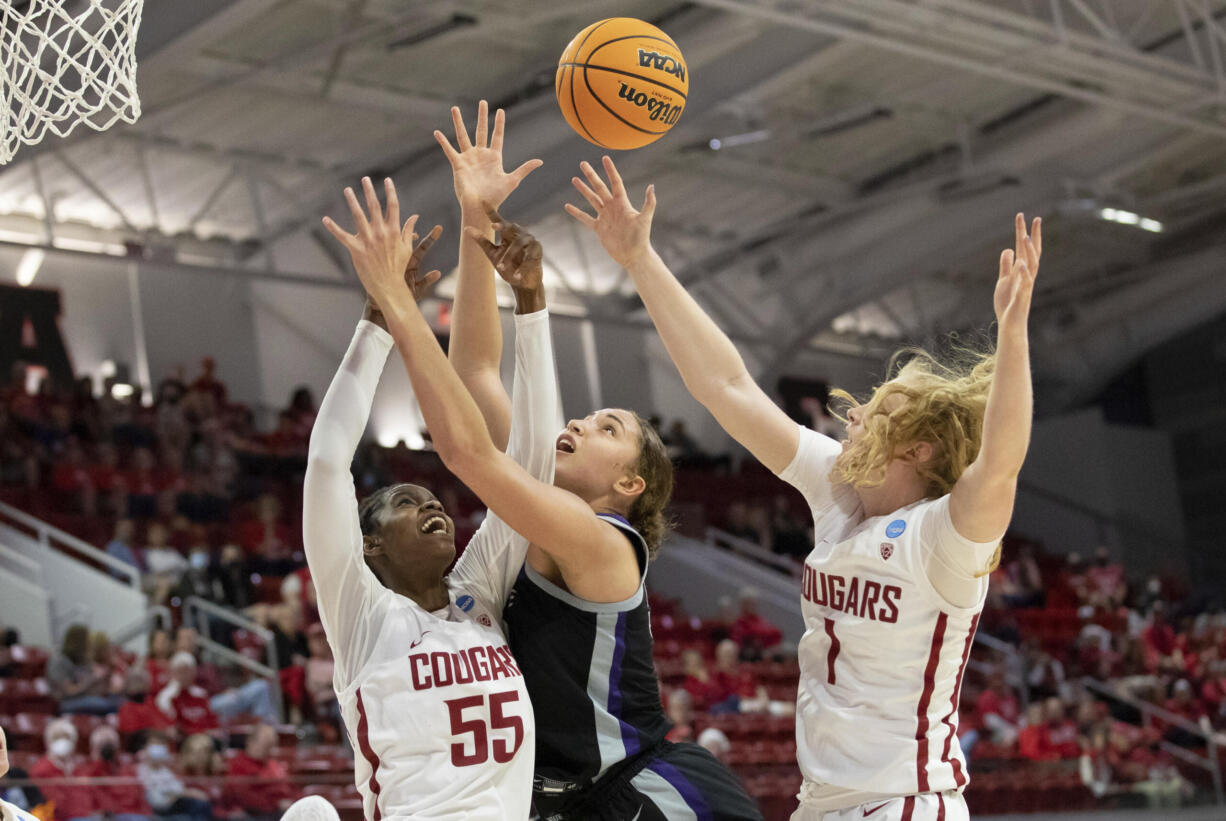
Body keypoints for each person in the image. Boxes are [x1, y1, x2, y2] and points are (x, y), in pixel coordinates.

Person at [565, 155, 1041, 820]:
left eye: (880, 407)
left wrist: (1013, 333)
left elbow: (1001, 462)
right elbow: (727, 387)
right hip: (822, 802)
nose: (856, 411)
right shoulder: (837, 493)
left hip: (903, 803)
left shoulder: (943, 537)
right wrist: (640, 259)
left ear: (918, 446)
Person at [324, 102, 760, 820]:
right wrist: (477, 224)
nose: (583, 421)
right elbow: (475, 372)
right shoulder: (531, 511)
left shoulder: (602, 543)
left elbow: (465, 448)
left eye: (608, 425)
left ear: (629, 482)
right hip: (554, 803)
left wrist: (398, 307)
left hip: (639, 787)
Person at [307, 140, 556, 818]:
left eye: (435, 498)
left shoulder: (478, 596)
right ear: (371, 545)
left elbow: (537, 477)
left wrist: (531, 302)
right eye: (408, 503)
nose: (435, 506)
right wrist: (378, 321)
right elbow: (328, 461)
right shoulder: (362, 614)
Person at [224, 724, 292, 819]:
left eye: (271, 745)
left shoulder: (273, 764)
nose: (268, 750)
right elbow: (245, 797)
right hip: (254, 813)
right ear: (250, 742)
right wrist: (276, 803)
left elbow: (290, 788)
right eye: (266, 745)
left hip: (277, 811)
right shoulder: (239, 765)